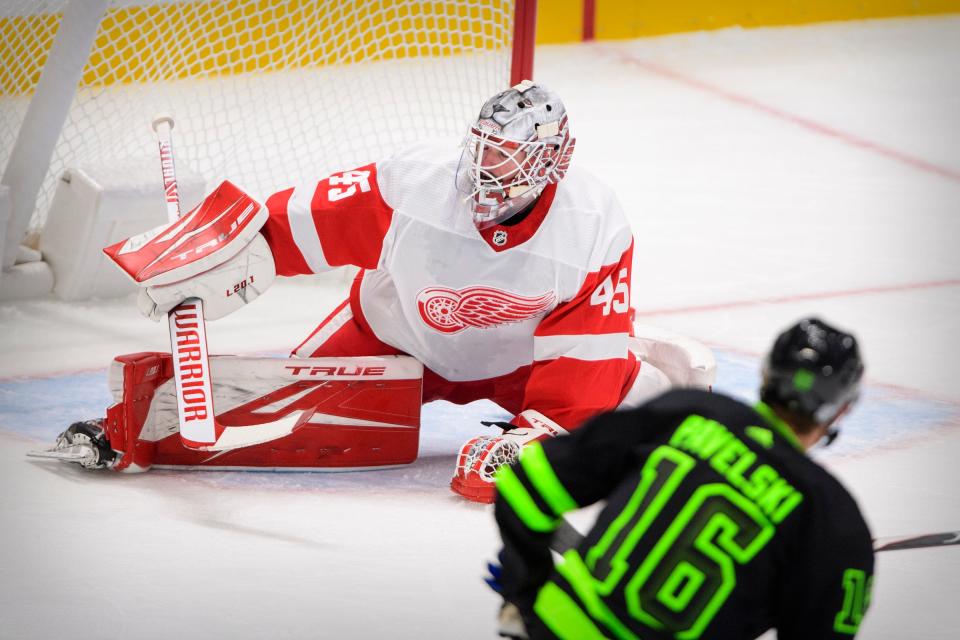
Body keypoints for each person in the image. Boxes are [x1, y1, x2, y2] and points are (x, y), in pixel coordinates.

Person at [45, 81, 713, 501]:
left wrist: (535, 437)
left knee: (650, 419)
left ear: (553, 162)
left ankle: (654, 366)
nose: (484, 172)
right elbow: (292, 227)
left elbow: (580, 364)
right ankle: (123, 430)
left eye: (507, 160)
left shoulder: (594, 223)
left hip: (521, 365)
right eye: (481, 150)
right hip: (390, 335)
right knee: (267, 404)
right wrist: (221, 256)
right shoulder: (415, 183)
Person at [491, 317, 874, 639]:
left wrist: (526, 589)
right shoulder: (833, 519)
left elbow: (524, 485)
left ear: (766, 375)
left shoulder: (691, 412)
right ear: (840, 411)